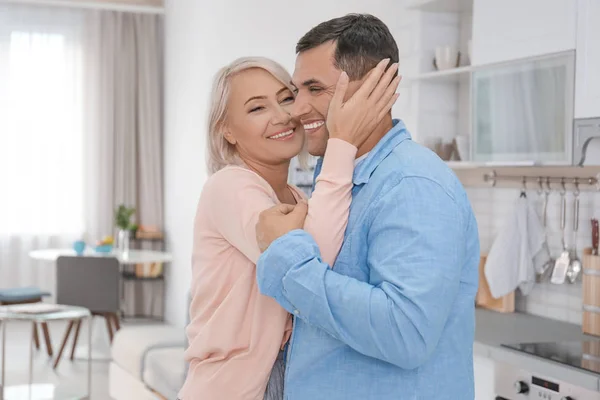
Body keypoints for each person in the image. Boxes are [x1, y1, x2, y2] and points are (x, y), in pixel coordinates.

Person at [255, 14, 481, 400]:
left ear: (374, 87)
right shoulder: (343, 175)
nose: (296, 109)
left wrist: (287, 258)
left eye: (315, 88)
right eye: (297, 90)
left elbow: (406, 332)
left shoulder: (413, 185)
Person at [178, 56, 399, 400]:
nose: (282, 116)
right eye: (256, 108)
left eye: (286, 98)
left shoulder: (296, 198)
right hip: (231, 389)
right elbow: (311, 259)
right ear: (227, 130)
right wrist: (343, 141)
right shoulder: (229, 186)